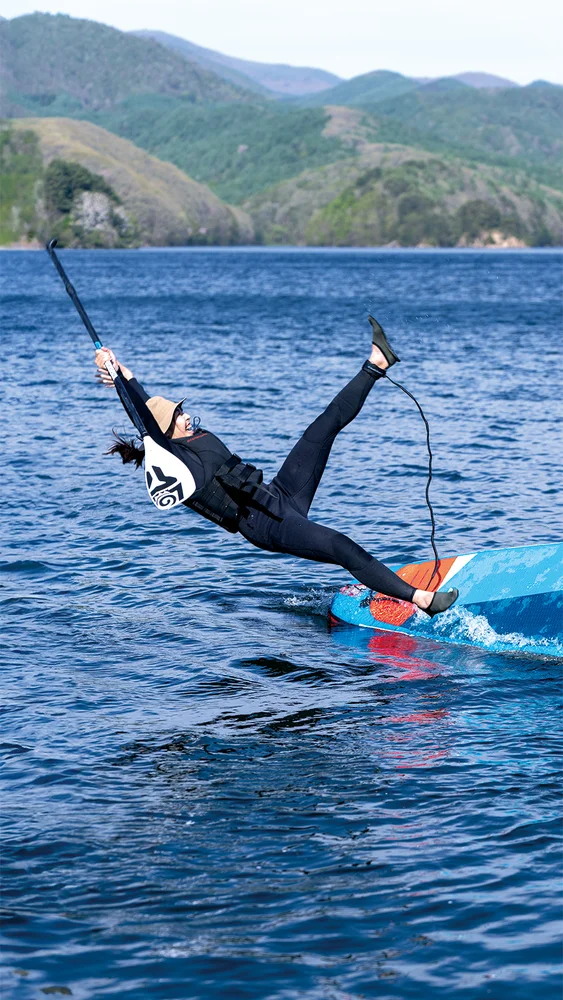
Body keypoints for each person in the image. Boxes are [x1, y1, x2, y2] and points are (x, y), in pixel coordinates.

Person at [95, 318, 458, 617]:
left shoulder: (193, 436)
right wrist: (119, 383)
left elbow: (143, 399)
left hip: (278, 495)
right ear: (165, 430)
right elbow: (142, 414)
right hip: (264, 524)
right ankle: (421, 600)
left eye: (182, 410)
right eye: (178, 415)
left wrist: (122, 370)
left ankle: (376, 362)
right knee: (339, 544)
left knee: (322, 428)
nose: (187, 416)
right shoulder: (175, 460)